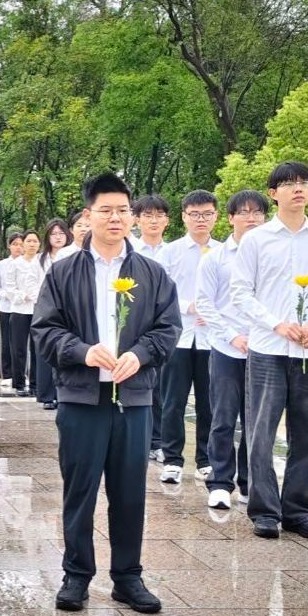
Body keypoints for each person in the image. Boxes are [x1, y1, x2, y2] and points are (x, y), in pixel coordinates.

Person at [32, 174, 182, 614]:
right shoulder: (63, 272)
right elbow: (44, 330)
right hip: (81, 398)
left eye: (122, 210)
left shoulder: (152, 274)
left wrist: (141, 354)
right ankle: (77, 575)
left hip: (133, 399)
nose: (115, 218)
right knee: (79, 490)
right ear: (89, 215)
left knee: (130, 491)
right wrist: (81, 351)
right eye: (106, 210)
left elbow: (168, 328)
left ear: (131, 216)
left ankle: (128, 576)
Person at [229, 161, 308, 541]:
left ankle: (297, 510)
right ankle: (265, 511)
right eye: (290, 183)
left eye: (305, 182)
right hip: (269, 349)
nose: (299, 188)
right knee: (261, 432)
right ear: (274, 193)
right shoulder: (257, 240)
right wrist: (276, 324)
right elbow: (240, 292)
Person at [194, 190, 267, 512]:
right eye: (244, 212)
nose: (252, 218)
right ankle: (220, 482)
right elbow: (205, 302)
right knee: (223, 417)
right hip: (226, 348)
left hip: (264, 348)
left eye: (258, 213)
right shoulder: (216, 258)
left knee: (257, 420)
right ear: (230, 218)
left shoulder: (270, 257)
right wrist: (231, 335)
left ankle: (250, 483)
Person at [156, 190, 222, 489]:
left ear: (216, 216)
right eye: (194, 214)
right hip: (179, 337)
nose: (200, 219)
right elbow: (161, 293)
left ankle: (206, 460)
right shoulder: (170, 253)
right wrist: (189, 307)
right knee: (173, 401)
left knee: (210, 403)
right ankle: (172, 460)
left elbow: (233, 292)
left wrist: (215, 312)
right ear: (183, 217)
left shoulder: (224, 252)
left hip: (212, 338)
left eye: (207, 214)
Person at [131, 195, 171, 460]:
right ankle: (144, 439)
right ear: (137, 220)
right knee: (144, 386)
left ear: (167, 220)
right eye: (147, 215)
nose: (154, 221)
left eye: (159, 215)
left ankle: (159, 440)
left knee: (165, 389)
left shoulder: (174, 251)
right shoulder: (130, 252)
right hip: (138, 327)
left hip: (166, 328)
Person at [32, 218, 72, 410]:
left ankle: (63, 393)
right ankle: (47, 395)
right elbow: (32, 285)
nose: (58, 237)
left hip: (68, 308)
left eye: (61, 233)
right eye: (53, 234)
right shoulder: (40, 260)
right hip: (45, 308)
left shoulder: (73, 255)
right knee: (46, 350)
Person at [3, 232, 43, 397]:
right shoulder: (15, 264)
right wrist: (23, 296)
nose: (32, 244)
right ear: (23, 244)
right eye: (29, 241)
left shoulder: (42, 261)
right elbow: (9, 287)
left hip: (38, 310)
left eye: (35, 241)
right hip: (19, 310)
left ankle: (35, 384)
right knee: (18, 348)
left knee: (37, 348)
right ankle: (19, 383)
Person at [0, 238, 21, 383]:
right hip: (6, 308)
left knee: (22, 343)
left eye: (21, 244)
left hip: (24, 309)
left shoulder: (30, 264)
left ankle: (22, 373)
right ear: (9, 246)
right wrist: (6, 295)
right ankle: (7, 374)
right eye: (15, 244)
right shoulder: (1, 265)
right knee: (6, 342)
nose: (18, 247)